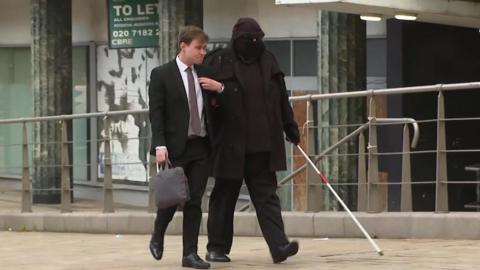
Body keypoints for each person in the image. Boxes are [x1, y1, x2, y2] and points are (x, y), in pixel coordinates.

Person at [204, 17, 301, 264]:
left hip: (262, 144)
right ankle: (217, 247)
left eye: (257, 39)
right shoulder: (219, 60)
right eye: (248, 40)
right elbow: (209, 105)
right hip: (230, 144)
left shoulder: (268, 61)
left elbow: (281, 98)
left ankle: (279, 245)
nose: (253, 43)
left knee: (267, 197)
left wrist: (290, 127)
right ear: (237, 40)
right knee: (225, 196)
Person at [148, 25, 224, 269]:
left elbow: (218, 107)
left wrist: (219, 89)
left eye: (204, 48)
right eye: (198, 47)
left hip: (201, 146)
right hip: (175, 148)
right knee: (172, 199)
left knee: (194, 202)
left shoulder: (205, 72)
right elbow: (156, 114)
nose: (203, 52)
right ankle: (158, 233)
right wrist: (160, 144)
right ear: (183, 46)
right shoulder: (162, 74)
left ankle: (189, 254)